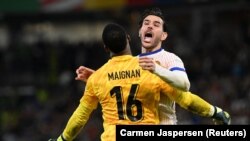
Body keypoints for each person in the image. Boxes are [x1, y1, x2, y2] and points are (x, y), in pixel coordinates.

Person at [49, 23, 230, 141]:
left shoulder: (97, 78)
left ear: (105, 48)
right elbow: (186, 100)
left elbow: (81, 117)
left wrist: (62, 139)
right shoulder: (150, 68)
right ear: (128, 38)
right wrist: (215, 112)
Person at [75, 7, 190, 124]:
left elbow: (184, 84)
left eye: (156, 24)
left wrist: (156, 69)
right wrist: (97, 77)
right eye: (146, 23)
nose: (150, 26)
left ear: (163, 35)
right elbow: (123, 87)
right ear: (140, 32)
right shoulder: (133, 63)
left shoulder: (170, 59)